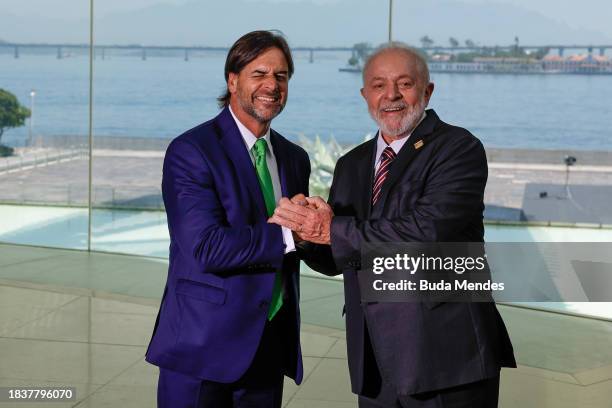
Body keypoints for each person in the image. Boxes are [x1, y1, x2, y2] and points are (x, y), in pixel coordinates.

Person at [271, 43, 516, 408]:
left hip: (446, 358)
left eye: (405, 83)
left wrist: (329, 229)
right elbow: (339, 256)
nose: (391, 96)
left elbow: (425, 234)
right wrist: (304, 232)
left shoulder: (458, 148)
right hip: (373, 361)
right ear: (365, 95)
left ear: (427, 90)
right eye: (379, 85)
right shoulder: (351, 164)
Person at [146, 30, 310, 408]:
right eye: (260, 74)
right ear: (232, 80)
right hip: (201, 347)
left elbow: (298, 246)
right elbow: (206, 248)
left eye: (281, 76)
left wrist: (323, 230)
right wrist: (292, 234)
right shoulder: (191, 151)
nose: (272, 85)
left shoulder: (294, 158)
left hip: (268, 345)